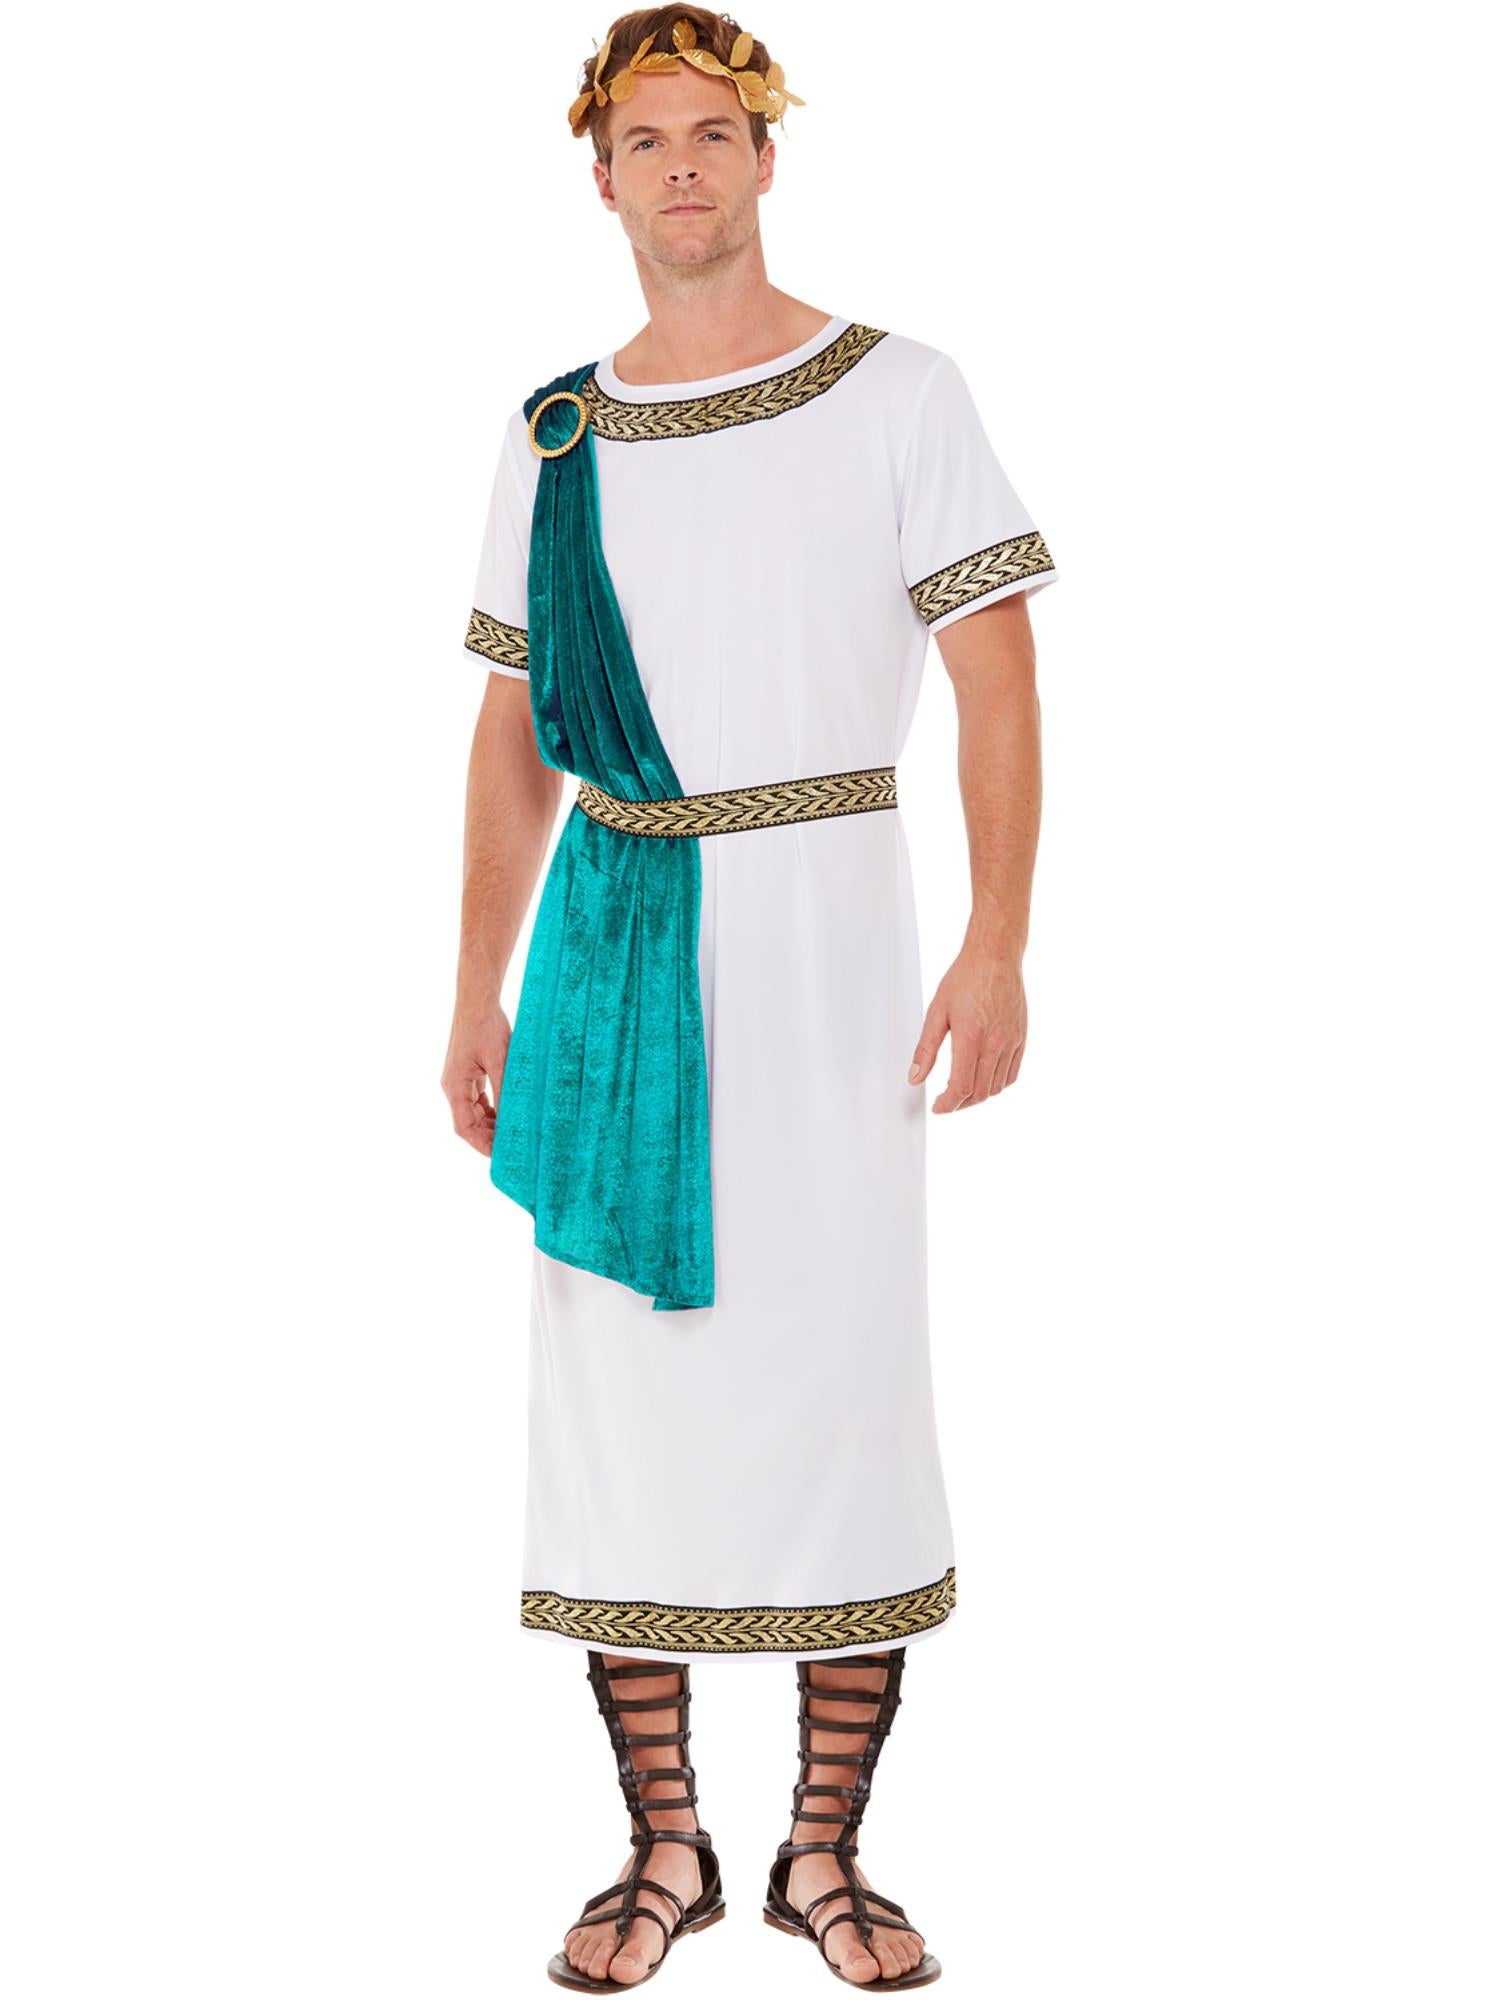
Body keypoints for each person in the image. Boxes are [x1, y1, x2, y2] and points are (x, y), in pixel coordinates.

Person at [441, 9, 1056, 1989]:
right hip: (610, 949)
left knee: (838, 1374)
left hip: (828, 943)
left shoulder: (898, 392)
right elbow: (517, 735)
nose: (684, 167)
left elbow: (995, 676)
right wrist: (474, 986)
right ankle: (665, 1850)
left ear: (769, 157)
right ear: (601, 178)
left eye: (716, 132)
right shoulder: (557, 436)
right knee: (623, 1397)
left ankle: (824, 1854)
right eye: (648, 140)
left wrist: (996, 937)